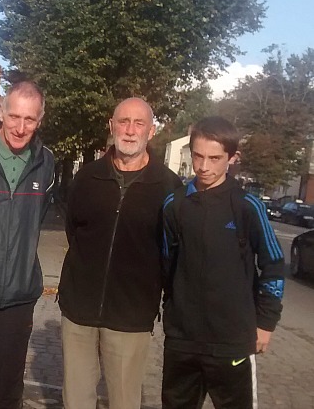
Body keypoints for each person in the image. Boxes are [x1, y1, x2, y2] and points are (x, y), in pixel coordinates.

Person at [58, 97, 182, 409]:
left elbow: (172, 251)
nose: (129, 130)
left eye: (138, 123)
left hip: (131, 316)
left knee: (125, 401)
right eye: (123, 122)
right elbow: (74, 231)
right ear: (111, 127)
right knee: (76, 400)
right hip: (79, 310)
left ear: (151, 131)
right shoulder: (87, 178)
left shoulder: (169, 186)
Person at [161, 116, 285, 408]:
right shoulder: (174, 205)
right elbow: (166, 264)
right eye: (198, 156)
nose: (204, 166)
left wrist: (266, 323)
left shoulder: (247, 207)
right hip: (183, 341)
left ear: (232, 158)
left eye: (215, 158)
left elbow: (274, 265)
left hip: (232, 341)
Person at [0, 81, 55, 409]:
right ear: (0, 111)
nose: (21, 128)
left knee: (5, 392)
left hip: (18, 295)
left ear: (41, 120)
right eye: (14, 116)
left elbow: (37, 219)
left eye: (30, 120)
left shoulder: (46, 163)